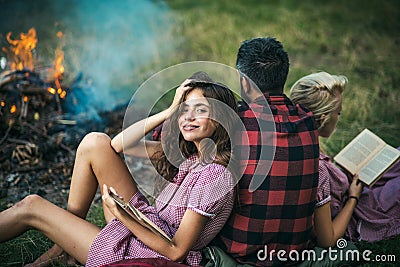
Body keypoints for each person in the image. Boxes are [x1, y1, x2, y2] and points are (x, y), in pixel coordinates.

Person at [0, 71, 239, 266]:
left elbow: (175, 252)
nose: (188, 117)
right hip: (145, 226)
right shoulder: (193, 157)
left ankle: (66, 246)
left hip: (144, 254)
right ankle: (63, 248)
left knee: (31, 206)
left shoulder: (215, 177)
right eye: (184, 109)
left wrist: (125, 216)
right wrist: (168, 111)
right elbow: (117, 145)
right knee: (95, 142)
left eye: (200, 110)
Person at [212, 37, 320, 266]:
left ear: (245, 82)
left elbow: (166, 139)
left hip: (239, 251)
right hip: (296, 254)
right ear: (283, 76)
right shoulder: (309, 121)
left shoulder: (234, 122)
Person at [289, 71, 400, 244]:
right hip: (355, 213)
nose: (339, 118)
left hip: (348, 189)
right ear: (322, 119)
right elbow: (327, 239)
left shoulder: (298, 140)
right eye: (338, 113)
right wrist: (353, 198)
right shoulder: (316, 170)